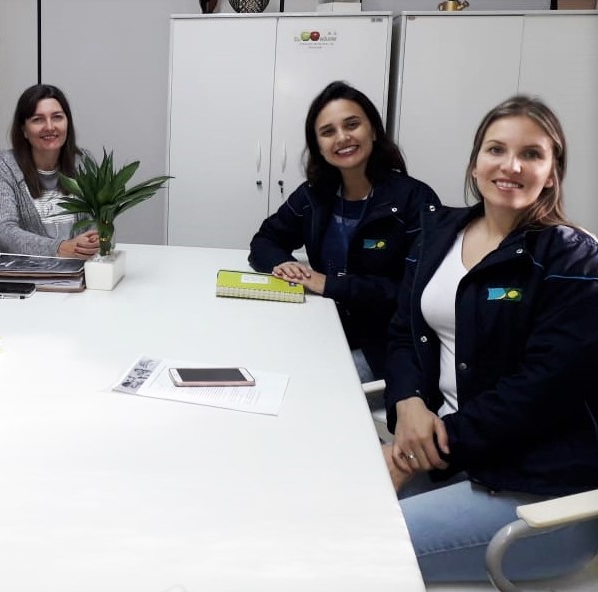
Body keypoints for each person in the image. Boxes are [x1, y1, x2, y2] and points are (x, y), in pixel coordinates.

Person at [383, 96, 598, 583]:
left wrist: (410, 454)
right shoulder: (438, 233)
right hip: (452, 456)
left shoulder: (575, 260)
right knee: (326, 506)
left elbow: (538, 394)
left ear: (552, 172)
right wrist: (408, 402)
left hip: (539, 493)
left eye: (531, 154)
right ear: (475, 163)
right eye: (496, 149)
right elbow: (403, 333)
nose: (511, 166)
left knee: (354, 542)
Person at [248, 81, 440, 381]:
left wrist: (330, 284)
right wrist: (284, 263)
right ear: (318, 146)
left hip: (384, 347)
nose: (342, 137)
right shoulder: (313, 195)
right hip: (322, 326)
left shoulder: (414, 199)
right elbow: (265, 240)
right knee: (257, 362)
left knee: (304, 383)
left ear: (373, 131)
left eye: (352, 125)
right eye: (328, 132)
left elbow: (419, 291)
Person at [0, 83, 99, 259]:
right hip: (27, 270)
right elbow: (5, 232)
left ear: (67, 122)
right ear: (24, 130)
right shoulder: (6, 166)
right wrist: (60, 248)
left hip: (82, 268)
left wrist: (95, 240)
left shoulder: (84, 162)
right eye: (38, 119)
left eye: (57, 117)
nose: (49, 126)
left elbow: (100, 218)